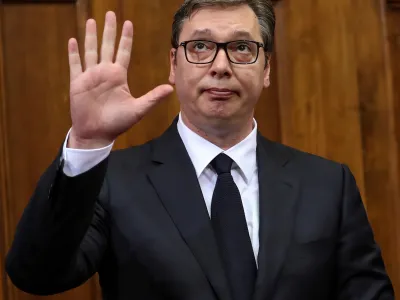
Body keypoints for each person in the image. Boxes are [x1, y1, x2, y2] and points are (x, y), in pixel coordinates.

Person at [5, 0, 394, 299]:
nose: (220, 66)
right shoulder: (113, 182)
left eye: (242, 47)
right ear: (173, 65)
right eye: (201, 46)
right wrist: (87, 142)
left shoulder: (328, 184)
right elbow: (35, 274)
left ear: (267, 68)